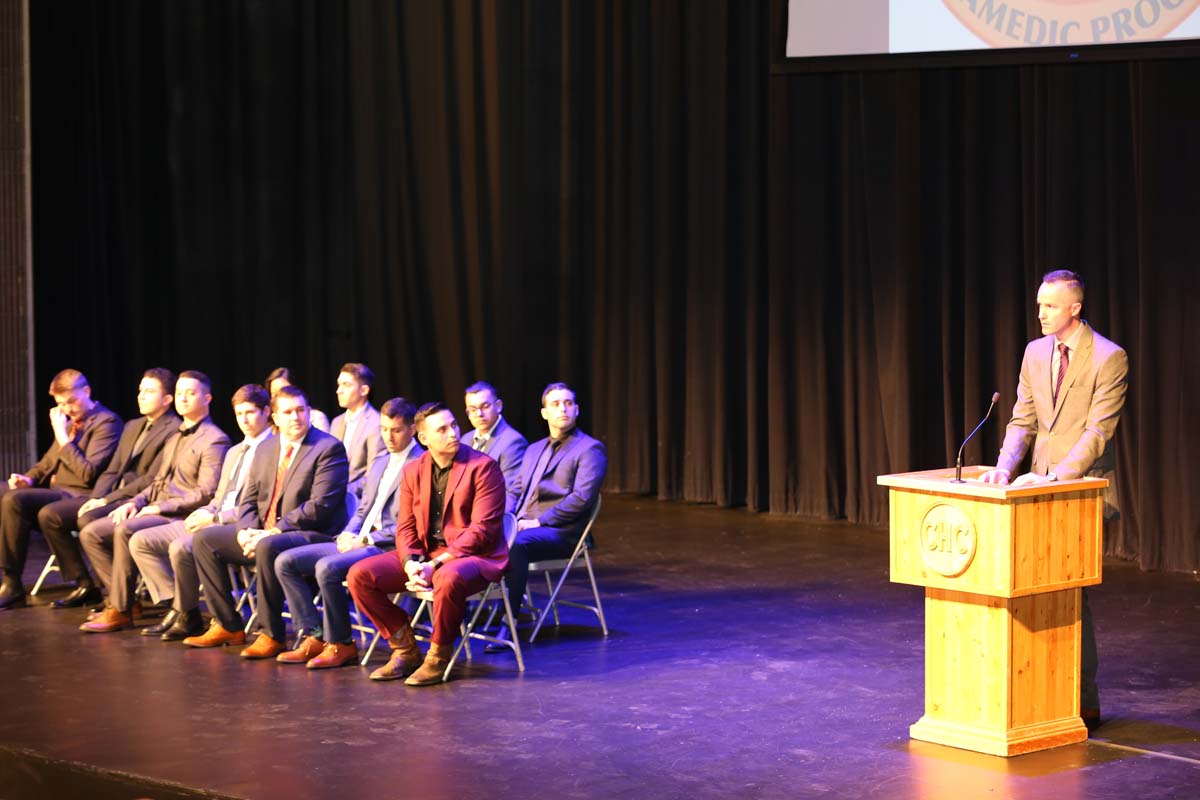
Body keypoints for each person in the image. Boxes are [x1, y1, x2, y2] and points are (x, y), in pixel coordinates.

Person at [980, 269, 1128, 730]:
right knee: (1034, 591)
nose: (1040, 313)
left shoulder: (1108, 357)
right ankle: (1040, 694)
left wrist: (1056, 477)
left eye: (1050, 305)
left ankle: (1083, 699)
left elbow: (1097, 433)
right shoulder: (1034, 352)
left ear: (1075, 308)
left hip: (1080, 489)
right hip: (1033, 489)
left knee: (1071, 594)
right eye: (1039, 304)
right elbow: (1022, 419)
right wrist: (1004, 467)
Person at [347, 402, 507, 685]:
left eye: (454, 425)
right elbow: (406, 526)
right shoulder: (413, 470)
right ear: (423, 438)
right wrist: (410, 563)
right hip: (427, 553)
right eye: (442, 429)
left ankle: (438, 656)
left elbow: (482, 531)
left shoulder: (483, 467)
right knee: (359, 575)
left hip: (474, 557)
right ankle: (404, 648)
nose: (453, 433)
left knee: (447, 577)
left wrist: (436, 563)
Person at [186, 385, 348, 657]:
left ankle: (271, 634)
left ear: (308, 412)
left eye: (301, 410)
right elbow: (249, 497)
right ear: (275, 417)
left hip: (312, 534)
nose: (295, 417)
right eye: (288, 412)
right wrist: (245, 531)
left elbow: (320, 506)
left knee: (267, 546)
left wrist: (272, 531)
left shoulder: (327, 448)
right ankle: (228, 624)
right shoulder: (266, 448)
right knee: (204, 540)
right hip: (264, 533)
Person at [275, 397, 423, 668]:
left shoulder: (421, 464)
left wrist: (365, 539)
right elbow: (363, 509)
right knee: (285, 562)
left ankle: (341, 643)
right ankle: (315, 635)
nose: (388, 437)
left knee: (327, 568)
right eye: (384, 429)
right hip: (358, 540)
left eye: (396, 430)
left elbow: (410, 523)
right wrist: (348, 534)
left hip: (385, 546)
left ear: (413, 429)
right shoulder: (380, 461)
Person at [79, 371, 230, 633]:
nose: (183, 398)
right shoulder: (175, 436)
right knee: (92, 532)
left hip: (181, 514)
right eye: (180, 393)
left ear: (207, 398)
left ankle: (125, 609)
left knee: (125, 530)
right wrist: (134, 502)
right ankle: (132, 600)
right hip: (156, 509)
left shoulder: (215, 439)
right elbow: (157, 482)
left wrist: (160, 507)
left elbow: (205, 492)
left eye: (190, 393)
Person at [127, 384, 274, 640]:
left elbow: (259, 506)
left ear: (267, 412)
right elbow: (219, 496)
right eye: (239, 414)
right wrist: (205, 512)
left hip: (240, 525)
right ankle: (182, 608)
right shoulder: (235, 451)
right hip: (213, 518)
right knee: (141, 540)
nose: (244, 420)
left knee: (181, 547)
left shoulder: (273, 450)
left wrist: (216, 518)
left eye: (250, 413)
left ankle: (189, 614)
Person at [40, 368, 180, 609]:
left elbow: (150, 479)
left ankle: (119, 598)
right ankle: (116, 596)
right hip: (117, 496)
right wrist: (96, 498)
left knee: (88, 523)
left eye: (149, 391)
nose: (141, 396)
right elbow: (112, 471)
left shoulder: (174, 429)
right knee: (81, 514)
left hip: (141, 498)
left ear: (167, 399)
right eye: (140, 390)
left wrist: (107, 501)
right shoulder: (133, 425)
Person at [0, 369, 122, 611]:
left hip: (83, 496)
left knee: (17, 501)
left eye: (72, 401)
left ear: (86, 391)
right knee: (6, 492)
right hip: (57, 493)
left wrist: (62, 437)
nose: (67, 409)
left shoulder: (107, 423)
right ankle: (10, 578)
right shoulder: (70, 424)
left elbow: (88, 473)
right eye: (61, 404)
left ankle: (16, 583)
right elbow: (47, 462)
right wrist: (29, 479)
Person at [506, 382, 607, 614]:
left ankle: (509, 617)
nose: (563, 408)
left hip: (562, 532)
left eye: (568, 403)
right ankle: (472, 613)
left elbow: (581, 498)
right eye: (556, 404)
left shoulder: (590, 448)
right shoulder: (533, 449)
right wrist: (503, 519)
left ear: (576, 410)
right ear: (544, 413)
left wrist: (539, 522)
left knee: (515, 544)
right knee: (483, 536)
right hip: (524, 525)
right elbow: (515, 491)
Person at [461, 381, 527, 505]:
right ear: (468, 413)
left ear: (498, 406)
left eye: (485, 406)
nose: (479, 414)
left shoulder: (513, 442)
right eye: (473, 409)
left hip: (492, 512)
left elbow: (511, 493)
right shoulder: (465, 440)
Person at [330, 362, 385, 498]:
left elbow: (374, 475)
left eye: (346, 385)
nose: (339, 391)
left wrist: (340, 492)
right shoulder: (336, 422)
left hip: (358, 500)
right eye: (339, 384)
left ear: (364, 390)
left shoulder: (376, 423)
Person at [265, 367, 330, 432]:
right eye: (274, 393)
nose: (281, 395)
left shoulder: (316, 418)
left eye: (285, 390)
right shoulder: (267, 425)